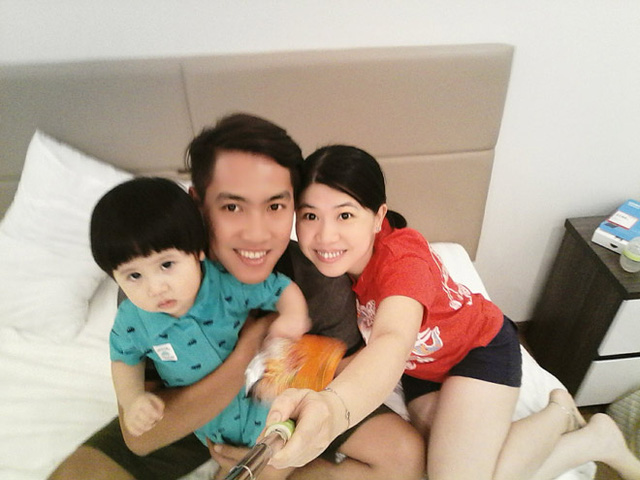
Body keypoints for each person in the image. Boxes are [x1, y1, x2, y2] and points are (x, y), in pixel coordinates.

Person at [48, 114, 424, 480]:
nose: (256, 234)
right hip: (191, 411)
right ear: (198, 203)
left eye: (275, 206)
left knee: (401, 455)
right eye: (232, 207)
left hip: (276, 409)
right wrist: (248, 350)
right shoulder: (154, 282)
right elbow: (142, 438)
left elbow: (347, 371)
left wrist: (275, 460)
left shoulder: (314, 282)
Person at [265, 144, 640, 480]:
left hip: (477, 350)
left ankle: (573, 424)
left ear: (378, 217)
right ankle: (582, 432)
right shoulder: (330, 269)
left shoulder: (402, 261)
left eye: (345, 216)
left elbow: (392, 338)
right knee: (440, 462)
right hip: (422, 367)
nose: (325, 236)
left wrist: (336, 407)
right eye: (310, 216)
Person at [89, 176, 309, 445]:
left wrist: (293, 315)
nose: (155, 288)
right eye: (134, 276)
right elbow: (124, 360)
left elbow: (278, 288)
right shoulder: (132, 319)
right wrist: (132, 399)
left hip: (266, 402)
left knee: (288, 447)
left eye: (167, 265)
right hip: (209, 424)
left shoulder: (226, 284)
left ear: (197, 251)